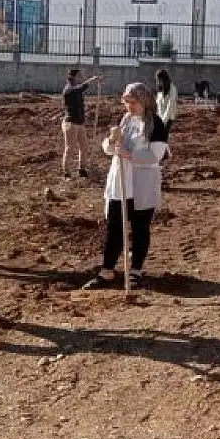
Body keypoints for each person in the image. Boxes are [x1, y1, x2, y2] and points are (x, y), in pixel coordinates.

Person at [83, 83, 169, 290]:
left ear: (144, 101)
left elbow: (154, 156)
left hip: (142, 185)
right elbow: (110, 147)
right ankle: (107, 270)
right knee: (114, 229)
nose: (129, 106)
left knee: (140, 229)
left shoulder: (156, 124)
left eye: (133, 102)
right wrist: (110, 143)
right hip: (120, 184)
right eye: (126, 102)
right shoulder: (125, 120)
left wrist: (127, 154)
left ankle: (136, 270)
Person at [61, 69, 103, 178]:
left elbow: (81, 89)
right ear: (74, 77)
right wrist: (92, 80)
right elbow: (81, 88)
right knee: (70, 148)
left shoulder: (75, 88)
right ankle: (66, 173)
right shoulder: (69, 89)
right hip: (71, 123)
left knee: (84, 147)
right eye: (80, 76)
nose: (82, 77)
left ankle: (82, 169)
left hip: (79, 124)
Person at [155, 69, 178, 136]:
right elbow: (158, 103)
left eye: (159, 80)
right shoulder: (160, 89)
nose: (158, 82)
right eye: (157, 80)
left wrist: (164, 120)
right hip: (160, 116)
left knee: (163, 135)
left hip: (169, 117)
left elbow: (170, 105)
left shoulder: (172, 89)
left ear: (163, 79)